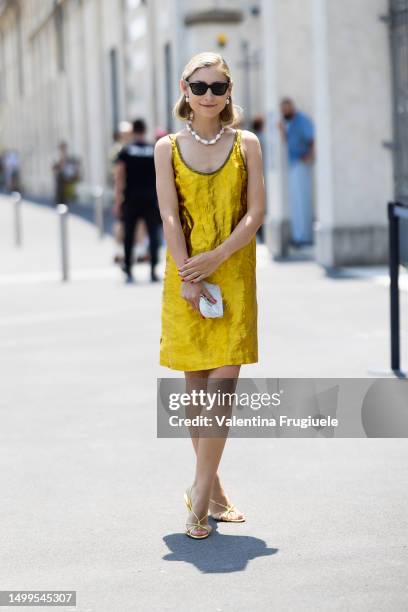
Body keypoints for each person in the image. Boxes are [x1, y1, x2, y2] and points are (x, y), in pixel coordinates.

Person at [155, 52, 265, 539]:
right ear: (184, 88)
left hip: (233, 273)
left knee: (221, 390)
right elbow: (171, 218)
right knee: (196, 393)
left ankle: (198, 501)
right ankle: (214, 489)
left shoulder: (248, 144)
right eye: (198, 87)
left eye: (217, 87)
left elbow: (255, 213)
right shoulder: (166, 147)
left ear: (230, 91)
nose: (207, 96)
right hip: (186, 276)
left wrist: (216, 259)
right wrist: (188, 274)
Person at [114, 119, 161, 283]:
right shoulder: (152, 149)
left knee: (129, 233)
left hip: (131, 197)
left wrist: (118, 199)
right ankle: (154, 269)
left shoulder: (126, 150)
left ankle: (128, 268)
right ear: (145, 130)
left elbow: (119, 174)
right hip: (150, 197)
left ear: (133, 131)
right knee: (153, 232)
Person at [279, 98, 315, 246]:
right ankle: (298, 236)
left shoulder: (302, 121)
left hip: (301, 163)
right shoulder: (290, 124)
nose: (283, 113)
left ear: (291, 108)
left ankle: (305, 236)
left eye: (285, 109)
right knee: (296, 201)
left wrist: (309, 156)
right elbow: (288, 142)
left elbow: (312, 139)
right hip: (293, 163)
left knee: (303, 201)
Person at [52, 142, 81, 206]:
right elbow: (54, 170)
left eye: (64, 148)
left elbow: (75, 171)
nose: (63, 150)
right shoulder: (57, 160)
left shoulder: (70, 159)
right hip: (60, 187)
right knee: (60, 206)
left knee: (66, 205)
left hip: (67, 186)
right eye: (62, 148)